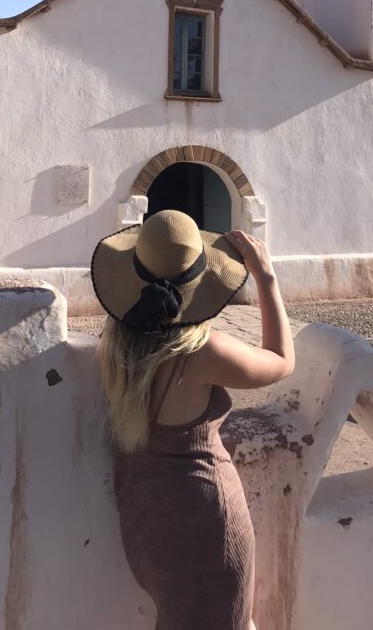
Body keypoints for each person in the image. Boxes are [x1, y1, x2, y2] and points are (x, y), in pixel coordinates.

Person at [91, 208, 295, 630]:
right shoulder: (200, 354)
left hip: (144, 509)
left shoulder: (117, 345)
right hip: (205, 516)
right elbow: (280, 360)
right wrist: (266, 278)